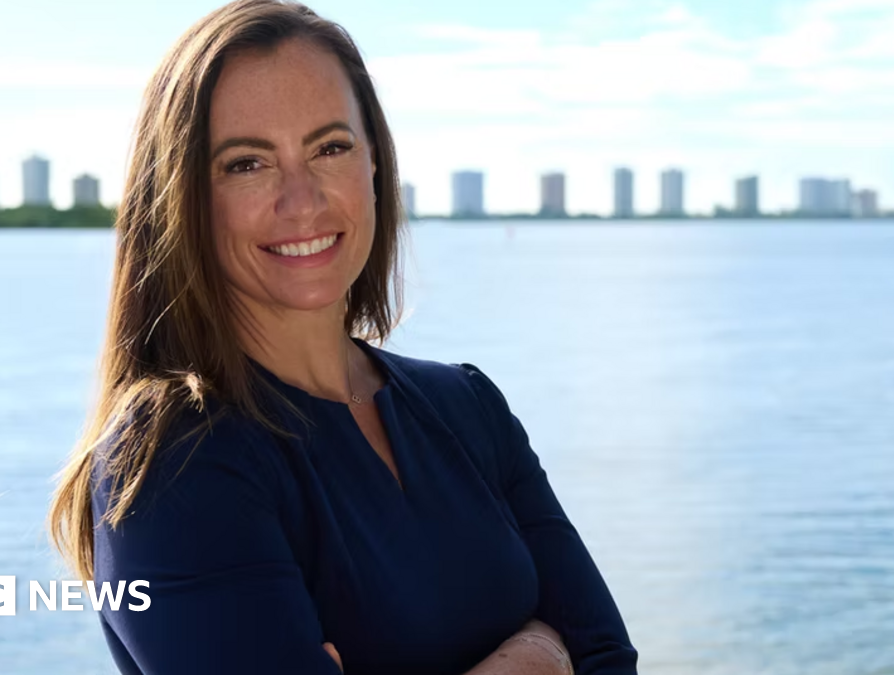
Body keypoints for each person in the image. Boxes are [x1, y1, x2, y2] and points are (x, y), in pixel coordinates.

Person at [46, 1, 638, 673]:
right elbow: (575, 644)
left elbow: (609, 655)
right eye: (247, 163)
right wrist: (537, 652)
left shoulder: (468, 406)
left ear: (375, 164)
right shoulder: (168, 465)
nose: (303, 200)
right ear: (183, 199)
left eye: (331, 148)